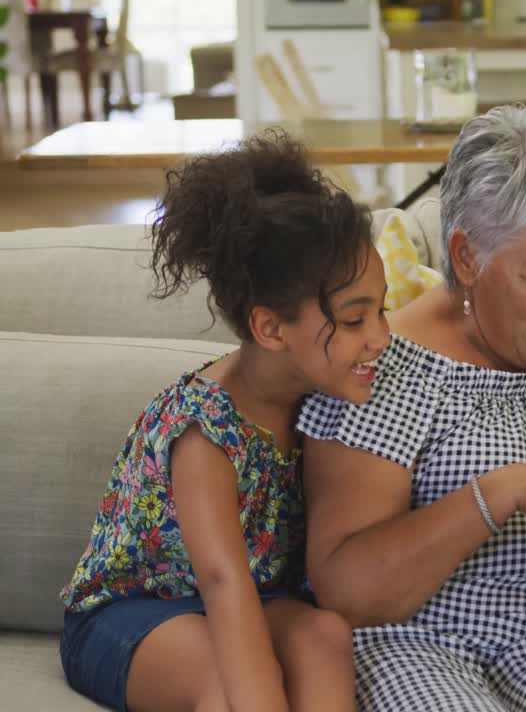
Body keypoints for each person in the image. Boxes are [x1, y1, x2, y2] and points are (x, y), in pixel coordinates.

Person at [297, 106, 526, 712]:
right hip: (414, 644)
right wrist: (504, 489)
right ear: (467, 258)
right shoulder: (380, 373)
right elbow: (345, 587)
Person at [59, 131, 384, 712]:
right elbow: (224, 588)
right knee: (223, 680)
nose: (381, 339)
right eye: (356, 319)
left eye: (381, 310)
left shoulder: (327, 396)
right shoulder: (203, 432)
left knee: (324, 635)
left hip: (258, 597)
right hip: (135, 609)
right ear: (270, 329)